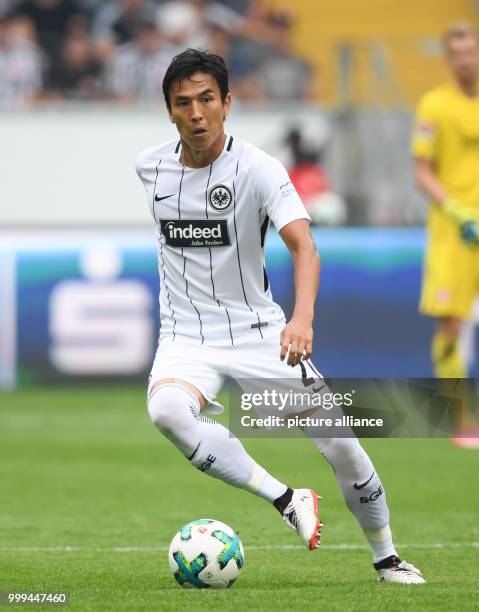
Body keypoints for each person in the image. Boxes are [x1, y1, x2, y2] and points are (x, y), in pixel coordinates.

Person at [135, 48, 424, 584]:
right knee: (168, 412)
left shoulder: (260, 169)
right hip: (185, 336)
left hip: (260, 332)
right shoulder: (149, 167)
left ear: (227, 103)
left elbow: (305, 248)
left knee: (344, 445)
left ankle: (387, 556)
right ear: (168, 110)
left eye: (206, 100)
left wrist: (302, 319)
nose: (196, 114)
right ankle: (286, 498)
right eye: (183, 103)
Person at [412, 22, 479, 447]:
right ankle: (463, 422)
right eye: (456, 52)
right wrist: (456, 211)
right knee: (451, 324)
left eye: (471, 50)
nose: (465, 59)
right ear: (447, 58)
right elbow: (422, 172)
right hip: (455, 231)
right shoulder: (435, 105)